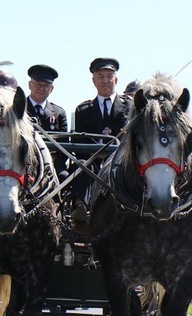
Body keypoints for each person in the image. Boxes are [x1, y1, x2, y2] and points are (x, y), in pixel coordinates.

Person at [71, 57, 130, 222]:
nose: (105, 81)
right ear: (94, 81)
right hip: (93, 160)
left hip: (120, 161)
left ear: (116, 79)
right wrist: (98, 154)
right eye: (101, 76)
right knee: (81, 163)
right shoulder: (83, 110)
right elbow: (80, 143)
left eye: (109, 76)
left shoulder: (129, 107)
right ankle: (80, 205)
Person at [25, 64, 69, 180]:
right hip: (23, 162)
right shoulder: (18, 109)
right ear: (30, 85)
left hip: (51, 162)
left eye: (46, 86)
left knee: (64, 176)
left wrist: (50, 158)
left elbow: (64, 146)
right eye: (38, 84)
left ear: (51, 89)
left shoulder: (59, 113)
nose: (41, 89)